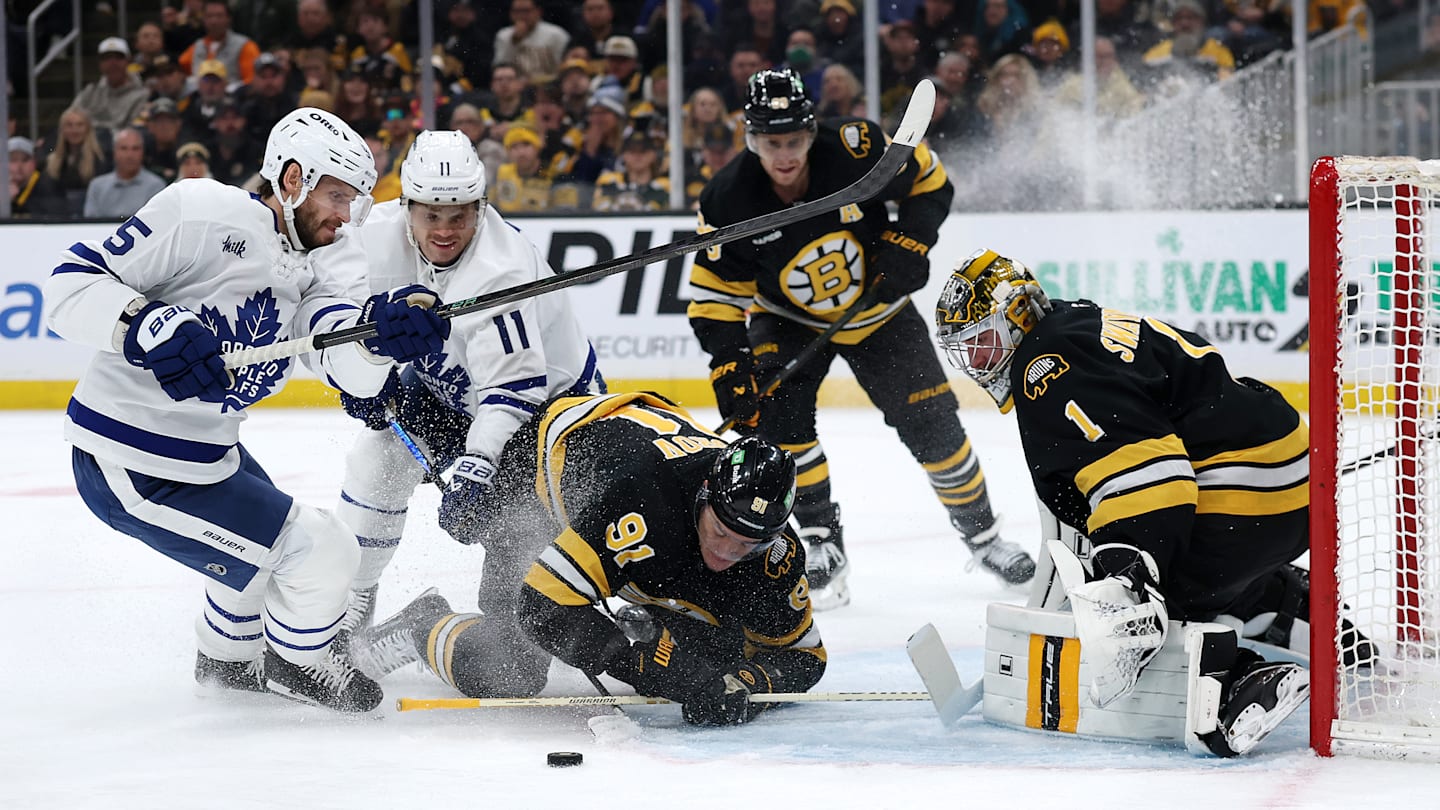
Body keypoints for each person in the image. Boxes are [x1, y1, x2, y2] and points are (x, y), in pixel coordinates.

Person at [43, 107, 451, 713]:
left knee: (262, 549)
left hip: (209, 454)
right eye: (338, 197)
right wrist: (147, 324)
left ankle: (229, 662)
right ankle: (300, 660)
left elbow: (343, 363)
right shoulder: (200, 212)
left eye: (356, 202)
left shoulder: (322, 258)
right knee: (321, 550)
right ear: (292, 179)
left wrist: (376, 341)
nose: (346, 218)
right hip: (130, 459)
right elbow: (69, 286)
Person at [932, 249, 1371, 755]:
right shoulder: (1070, 324)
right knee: (1165, 569)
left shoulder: (1045, 366)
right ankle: (1289, 606)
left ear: (1017, 315)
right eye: (966, 350)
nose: (978, 361)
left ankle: (1236, 684)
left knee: (1130, 615)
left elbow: (1148, 476)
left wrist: (1128, 574)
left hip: (1249, 492)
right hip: (1279, 478)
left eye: (983, 342)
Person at [687, 68, 1036, 611]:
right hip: (786, 319)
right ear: (751, 139)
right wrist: (730, 366)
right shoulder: (727, 198)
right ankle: (822, 539)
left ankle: (986, 538)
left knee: (937, 432)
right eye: (770, 143)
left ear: (812, 130)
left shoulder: (856, 147)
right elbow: (715, 298)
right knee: (782, 428)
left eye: (795, 141)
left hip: (880, 311)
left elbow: (930, 180)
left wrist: (909, 242)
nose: (784, 156)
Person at [350, 393, 825, 726]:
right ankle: (424, 624)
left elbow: (804, 658)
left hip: (628, 459)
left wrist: (747, 683)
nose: (727, 552)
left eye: (748, 545)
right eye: (721, 532)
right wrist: (647, 666)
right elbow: (541, 607)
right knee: (511, 667)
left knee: (716, 656)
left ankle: (647, 615)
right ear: (705, 496)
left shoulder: (774, 558)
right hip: (539, 473)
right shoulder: (643, 505)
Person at [323, 129, 606, 643]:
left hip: (548, 425)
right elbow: (328, 308)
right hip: (447, 394)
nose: (445, 230)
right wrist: (357, 370)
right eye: (431, 214)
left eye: (459, 215)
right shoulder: (369, 237)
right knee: (378, 459)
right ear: (406, 205)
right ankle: (351, 604)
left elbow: (511, 392)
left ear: (480, 206)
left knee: (521, 620)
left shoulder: (503, 268)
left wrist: (474, 472)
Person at [82, 127, 167, 219]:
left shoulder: (156, 186)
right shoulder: (97, 186)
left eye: (135, 149)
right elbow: (90, 224)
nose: (129, 155)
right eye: (123, 148)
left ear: (143, 152)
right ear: (114, 152)